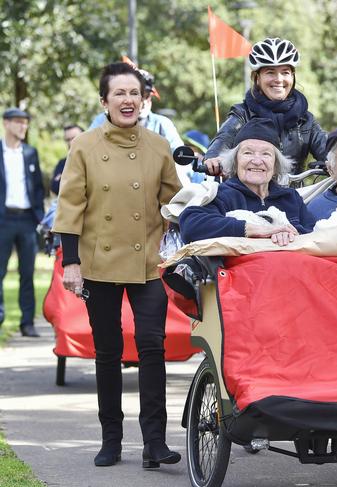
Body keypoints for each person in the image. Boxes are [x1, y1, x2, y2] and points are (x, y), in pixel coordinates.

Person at [53, 62, 182, 468]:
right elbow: (70, 206)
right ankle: (111, 439)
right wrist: (70, 263)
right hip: (97, 264)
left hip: (147, 262)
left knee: (152, 348)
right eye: (119, 93)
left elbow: (176, 203)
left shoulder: (158, 147)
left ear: (145, 101)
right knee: (107, 352)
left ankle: (155, 442)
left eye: (135, 94)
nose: (128, 100)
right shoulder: (85, 146)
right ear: (104, 100)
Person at [203, 37, 327, 177]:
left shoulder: (305, 120)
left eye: (285, 72)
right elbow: (223, 139)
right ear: (257, 78)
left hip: (295, 195)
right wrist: (214, 157)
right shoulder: (242, 114)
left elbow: (327, 148)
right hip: (248, 194)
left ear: (293, 77)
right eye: (270, 72)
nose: (278, 79)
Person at [179, 118, 315, 245]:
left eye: (266, 154)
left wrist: (292, 235)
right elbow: (190, 227)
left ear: (276, 165)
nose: (256, 161)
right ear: (235, 162)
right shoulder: (222, 195)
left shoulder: (291, 198)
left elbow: (313, 235)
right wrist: (257, 229)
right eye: (248, 153)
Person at [88, 65, 188, 184]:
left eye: (145, 96)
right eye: (121, 94)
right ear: (105, 102)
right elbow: (88, 153)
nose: (142, 101)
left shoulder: (162, 124)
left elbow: (180, 160)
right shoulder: (101, 121)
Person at [0, 108, 44, 337]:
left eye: (25, 123)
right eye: (18, 122)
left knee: (27, 272)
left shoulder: (30, 153)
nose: (23, 127)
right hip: (3, 219)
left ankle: (27, 323)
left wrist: (39, 215)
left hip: (27, 219)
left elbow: (37, 187)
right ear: (6, 124)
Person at [50, 124, 84, 195]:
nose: (70, 142)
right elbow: (55, 187)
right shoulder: (62, 163)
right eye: (68, 139)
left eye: (74, 138)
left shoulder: (93, 160)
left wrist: (63, 178)